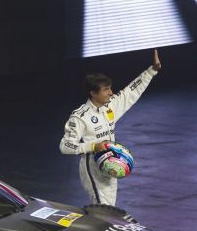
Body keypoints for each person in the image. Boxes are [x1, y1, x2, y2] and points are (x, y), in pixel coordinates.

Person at [60, 49, 162, 206]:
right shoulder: (80, 117)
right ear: (93, 93)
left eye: (110, 88)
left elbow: (131, 91)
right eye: (106, 89)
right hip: (93, 168)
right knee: (102, 209)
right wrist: (94, 145)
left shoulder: (110, 106)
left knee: (108, 208)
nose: (111, 92)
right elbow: (65, 146)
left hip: (110, 164)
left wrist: (152, 71)